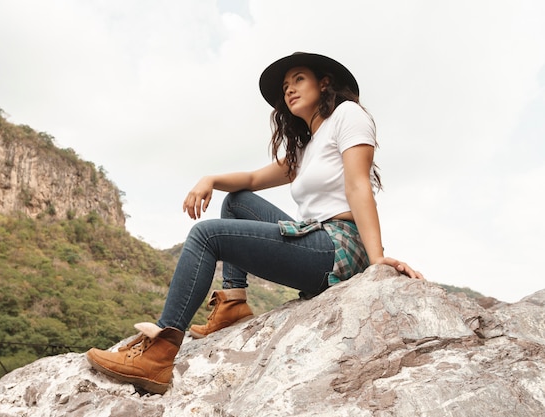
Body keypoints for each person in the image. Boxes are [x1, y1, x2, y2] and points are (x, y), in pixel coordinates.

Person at [86, 52, 424, 395]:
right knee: (235, 201)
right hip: (318, 239)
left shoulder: (347, 116)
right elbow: (251, 177)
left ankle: (158, 356)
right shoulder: (306, 150)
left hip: (339, 247)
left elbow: (357, 185)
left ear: (324, 83)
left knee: (206, 235)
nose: (289, 89)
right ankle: (233, 304)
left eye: (299, 79)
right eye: (285, 85)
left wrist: (377, 257)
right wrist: (211, 179)